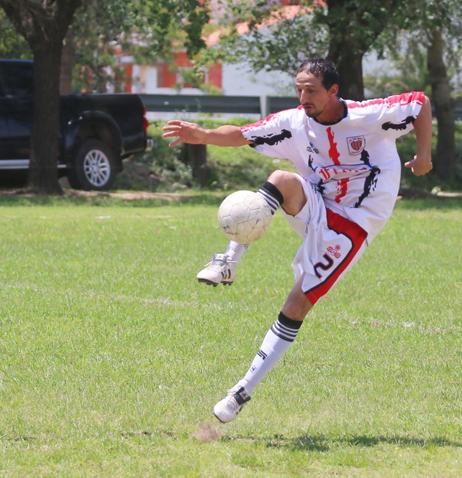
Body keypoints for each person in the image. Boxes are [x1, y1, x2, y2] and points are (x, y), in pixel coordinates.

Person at [162, 58, 432, 423]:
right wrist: (205, 135)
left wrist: (425, 156)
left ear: (333, 91)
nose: (303, 96)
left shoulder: (370, 115)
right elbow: (243, 134)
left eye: (311, 90)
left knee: (297, 303)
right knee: (281, 178)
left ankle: (241, 391)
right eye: (299, 89)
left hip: (353, 225)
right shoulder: (292, 123)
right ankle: (228, 261)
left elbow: (421, 103)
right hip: (317, 208)